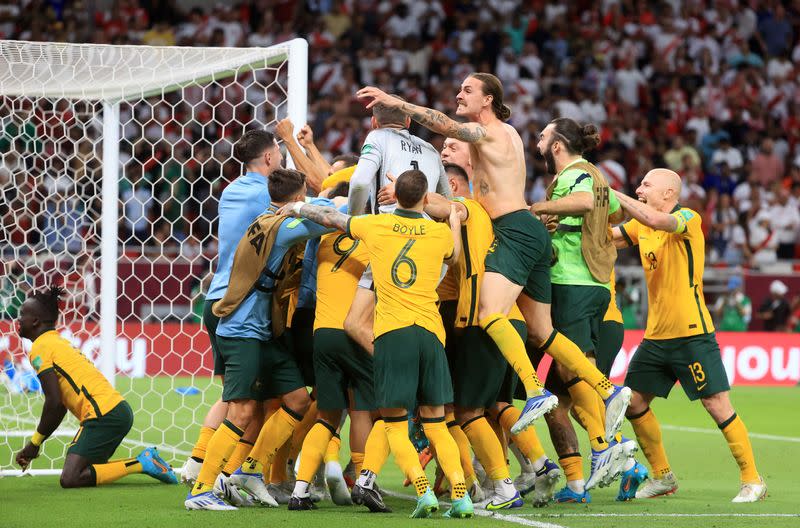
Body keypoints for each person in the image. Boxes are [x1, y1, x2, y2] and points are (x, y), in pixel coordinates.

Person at [356, 74, 630, 438]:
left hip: (513, 230)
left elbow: (446, 125)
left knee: (489, 312)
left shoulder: (488, 130)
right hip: (527, 231)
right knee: (542, 330)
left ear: (487, 100)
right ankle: (608, 390)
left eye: (468, 90)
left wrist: (399, 103)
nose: (459, 94)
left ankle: (534, 391)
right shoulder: (509, 134)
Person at [282, 169, 474, 519]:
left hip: (392, 333)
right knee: (436, 423)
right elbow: (456, 257)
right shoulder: (436, 232)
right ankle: (461, 494)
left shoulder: (375, 226)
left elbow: (329, 217)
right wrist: (456, 220)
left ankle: (423, 492)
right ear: (426, 197)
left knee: (394, 422)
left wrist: (296, 209)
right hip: (431, 334)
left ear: (394, 196)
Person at [612, 168, 766, 503]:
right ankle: (662, 475)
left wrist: (614, 195)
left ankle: (752, 479)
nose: (639, 189)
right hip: (655, 337)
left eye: (646, 185)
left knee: (716, 404)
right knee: (634, 402)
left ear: (668, 193)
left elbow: (658, 222)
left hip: (692, 334)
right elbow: (607, 237)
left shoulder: (687, 218)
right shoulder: (640, 224)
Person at [185, 169, 333, 510]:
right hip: (241, 331)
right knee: (241, 410)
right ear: (297, 199)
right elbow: (326, 219)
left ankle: (250, 471)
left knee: (296, 400)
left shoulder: (263, 219)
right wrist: (310, 206)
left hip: (262, 331)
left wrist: (300, 205)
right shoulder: (281, 228)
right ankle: (201, 490)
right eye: (301, 199)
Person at [530, 118, 632, 499]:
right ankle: (575, 482)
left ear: (558, 145)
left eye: (543, 136)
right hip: (591, 283)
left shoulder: (577, 175)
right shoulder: (598, 175)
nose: (538, 142)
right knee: (556, 397)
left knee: (573, 366)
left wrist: (540, 206)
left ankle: (608, 445)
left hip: (572, 280)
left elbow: (588, 202)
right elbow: (615, 209)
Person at [182, 129, 281, 491]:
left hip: (214, 299)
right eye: (280, 154)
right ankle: (226, 476)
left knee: (231, 396)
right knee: (250, 404)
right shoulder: (266, 195)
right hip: (243, 304)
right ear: (269, 158)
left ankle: (197, 461)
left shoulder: (231, 190)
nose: (281, 161)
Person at [15, 286, 178, 488]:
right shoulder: (57, 343)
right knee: (89, 470)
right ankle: (144, 461)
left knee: (71, 478)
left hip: (102, 415)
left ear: (36, 321)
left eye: (22, 314)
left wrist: (34, 443)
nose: (18, 319)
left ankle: (142, 462)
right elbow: (60, 405)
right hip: (116, 411)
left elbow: (55, 402)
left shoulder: (40, 348)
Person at [343, 97, 450, 358]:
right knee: (419, 321)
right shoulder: (431, 150)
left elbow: (358, 184)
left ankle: (401, 372)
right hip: (429, 244)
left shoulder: (378, 137)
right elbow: (448, 202)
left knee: (356, 323)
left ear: (374, 122)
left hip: (392, 238)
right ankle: (428, 384)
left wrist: (353, 222)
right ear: (409, 120)